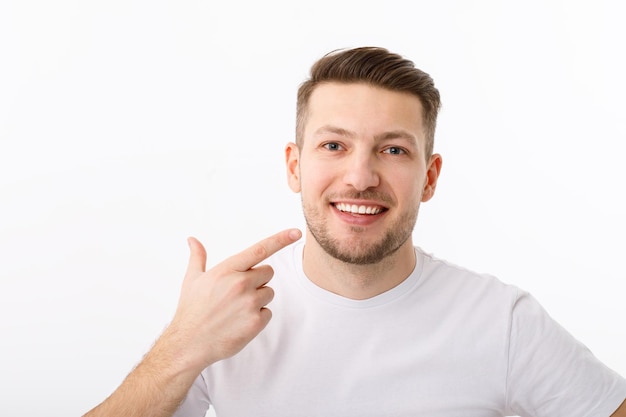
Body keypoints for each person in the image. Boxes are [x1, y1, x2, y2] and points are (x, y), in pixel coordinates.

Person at [83, 47, 626, 417]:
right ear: (295, 166)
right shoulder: (225, 317)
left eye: (393, 150)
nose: (361, 177)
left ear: (429, 177)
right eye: (334, 145)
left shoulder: (502, 322)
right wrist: (184, 346)